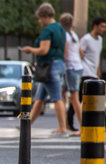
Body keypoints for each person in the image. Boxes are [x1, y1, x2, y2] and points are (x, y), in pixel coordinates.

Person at [20, 2, 68, 137]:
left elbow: (43, 50)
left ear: (45, 16)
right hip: (58, 64)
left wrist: (29, 50)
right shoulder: (60, 28)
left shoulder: (48, 30)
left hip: (48, 67)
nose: (39, 21)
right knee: (39, 98)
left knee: (57, 98)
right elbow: (65, 49)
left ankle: (62, 129)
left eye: (40, 18)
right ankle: (26, 125)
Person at [67, 16, 106, 129]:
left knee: (96, 99)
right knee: (78, 98)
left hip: (94, 73)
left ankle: (97, 123)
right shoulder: (86, 39)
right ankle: (70, 122)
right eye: (102, 26)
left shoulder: (100, 40)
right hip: (84, 72)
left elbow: (97, 57)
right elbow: (79, 52)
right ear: (95, 26)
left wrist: (98, 72)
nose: (103, 29)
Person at [59, 13, 83, 134]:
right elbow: (81, 53)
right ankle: (63, 125)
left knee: (74, 98)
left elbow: (64, 53)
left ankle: (83, 126)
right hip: (78, 66)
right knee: (61, 94)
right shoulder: (74, 35)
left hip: (70, 68)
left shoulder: (65, 36)